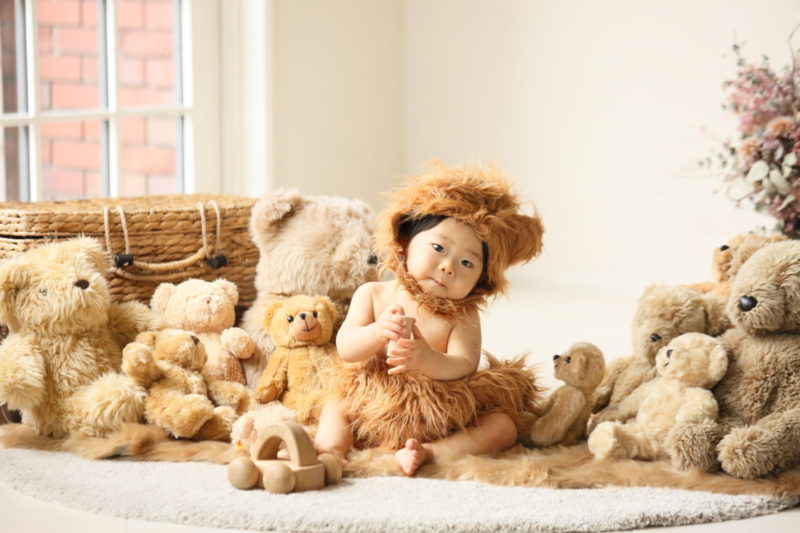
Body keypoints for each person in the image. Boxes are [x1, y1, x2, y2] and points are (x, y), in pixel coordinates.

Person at [314, 160, 545, 475]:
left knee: (503, 427)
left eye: (467, 263)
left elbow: (465, 363)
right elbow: (346, 348)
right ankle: (330, 451)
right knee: (336, 406)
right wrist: (376, 333)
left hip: (441, 415)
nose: (448, 266)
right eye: (438, 247)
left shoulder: (463, 314)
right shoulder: (373, 294)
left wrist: (428, 360)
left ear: (481, 279)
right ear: (403, 244)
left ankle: (429, 451)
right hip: (374, 403)